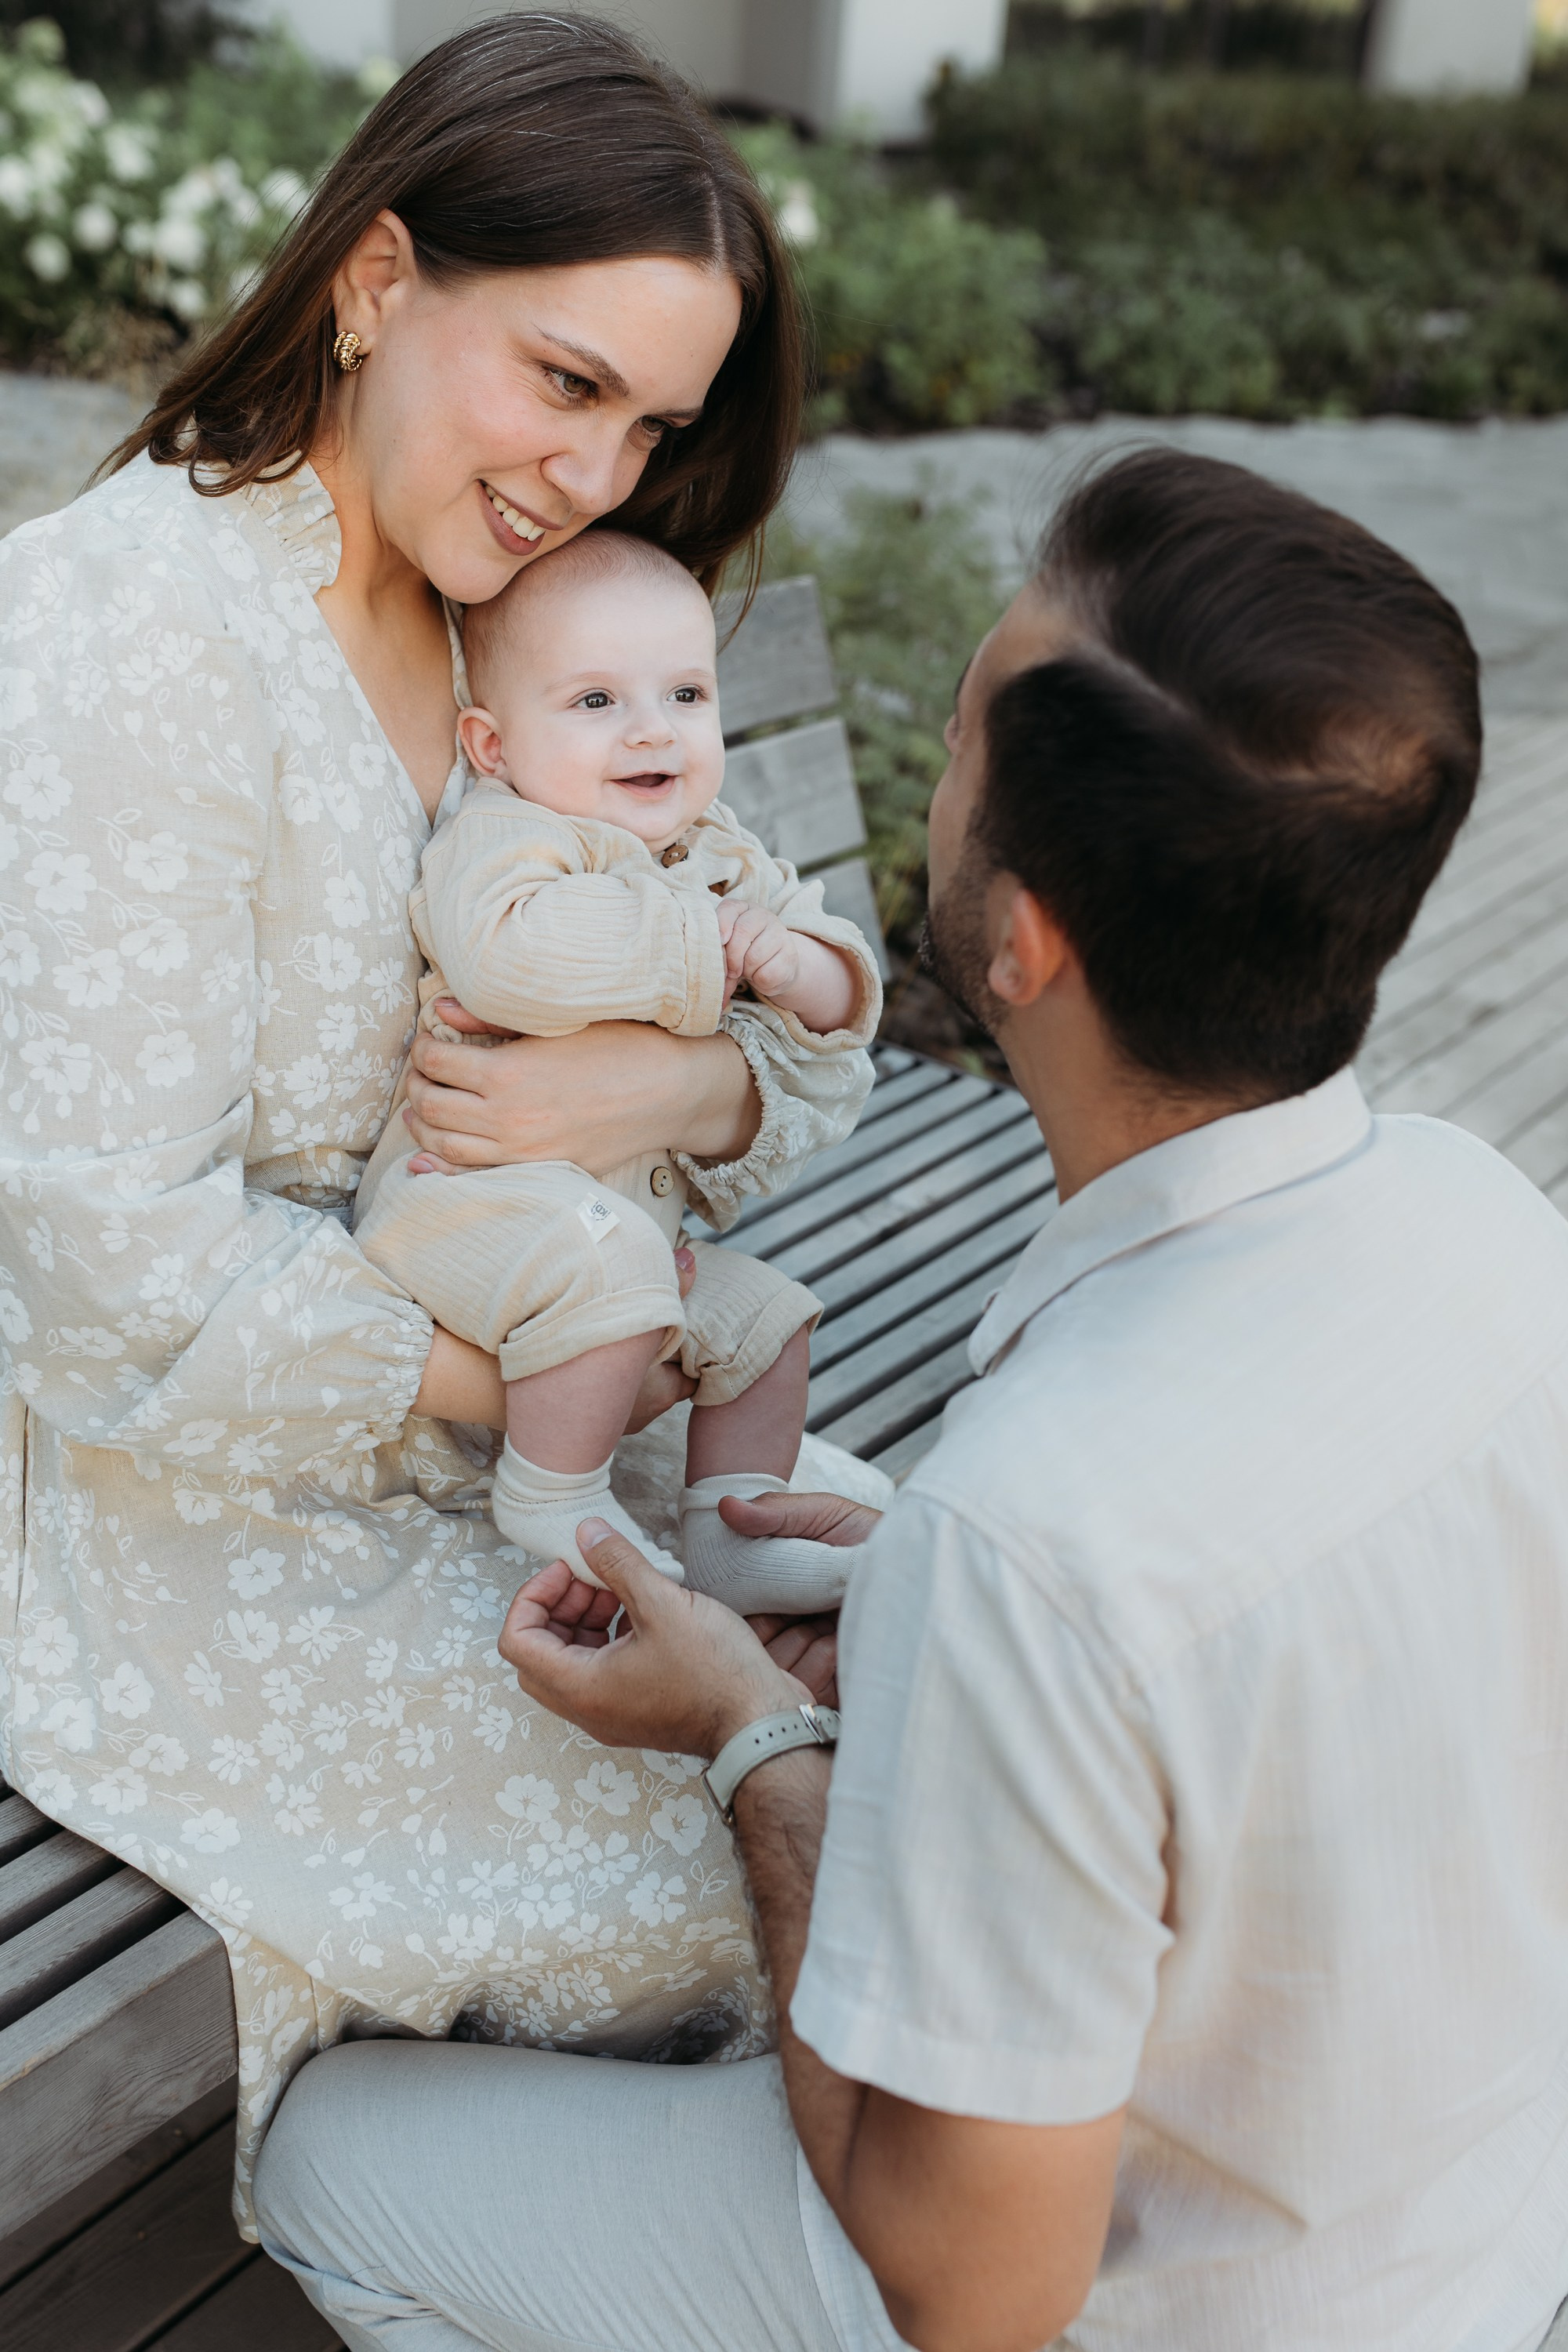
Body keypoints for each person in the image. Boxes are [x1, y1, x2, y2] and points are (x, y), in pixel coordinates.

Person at [254, 449, 1568, 2352]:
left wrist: (745, 1743)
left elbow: (967, 2290)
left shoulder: (1038, 1541)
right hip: (1461, 2219)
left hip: (1136, 2298)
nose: (926, 772)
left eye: (954, 740)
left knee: (327, 2160)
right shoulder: (1487, 1215)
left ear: (1019, 942)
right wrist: (923, 1612)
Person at [0, 14, 889, 2228]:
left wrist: (666, 1074)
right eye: (563, 383)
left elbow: (790, 1067)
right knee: (799, 1851)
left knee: (974, 1685)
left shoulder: (547, 613)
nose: (596, 475)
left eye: (652, 423)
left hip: (561, 1409)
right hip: (183, 1506)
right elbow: (117, 1271)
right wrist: (540, 1387)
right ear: (376, 279)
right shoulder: (129, 636)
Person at [354, 528, 880, 1600]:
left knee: (768, 1322)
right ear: (492, 746)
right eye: (595, 702)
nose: (654, 729)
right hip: (460, 1212)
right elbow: (508, 958)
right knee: (610, 1265)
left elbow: (841, 1006)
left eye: (686, 694)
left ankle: (735, 1537)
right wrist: (704, 950)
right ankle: (555, 1490)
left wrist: (799, 966)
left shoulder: (720, 852)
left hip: (615, 1250)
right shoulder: (511, 838)